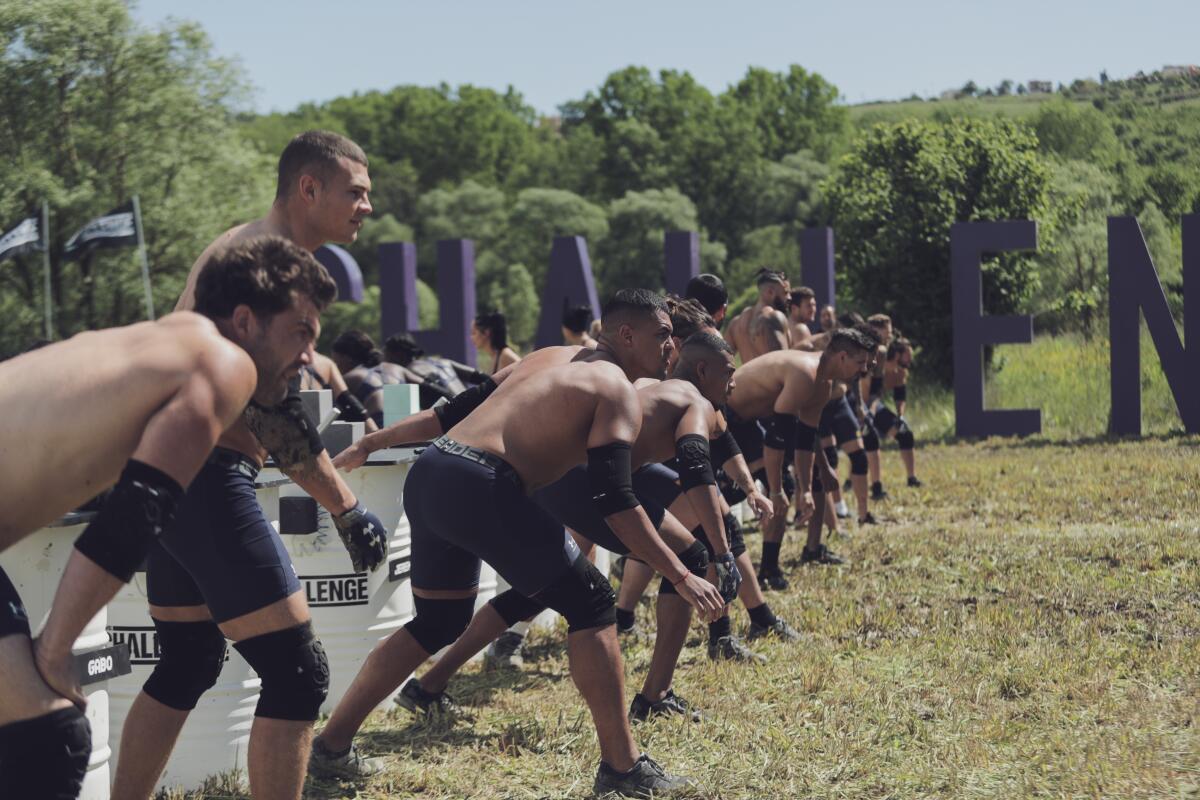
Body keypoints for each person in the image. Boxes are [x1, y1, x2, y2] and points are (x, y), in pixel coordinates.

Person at [316, 290, 725, 797]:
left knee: (438, 620)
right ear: (627, 335)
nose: (672, 349)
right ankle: (623, 769)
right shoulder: (615, 388)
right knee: (594, 602)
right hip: (481, 484)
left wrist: (373, 441)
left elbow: (449, 416)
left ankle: (330, 749)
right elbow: (616, 500)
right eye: (664, 336)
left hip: (431, 471)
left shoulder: (545, 356)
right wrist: (682, 573)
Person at [112, 131, 390, 800]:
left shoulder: (250, 248)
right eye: (356, 193)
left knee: (187, 660)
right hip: (202, 475)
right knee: (297, 673)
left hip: (168, 474)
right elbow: (271, 417)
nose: (367, 208)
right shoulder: (266, 263)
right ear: (308, 188)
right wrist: (345, 506)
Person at [389, 332, 745, 723]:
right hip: (589, 484)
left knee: (544, 586)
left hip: (557, 476)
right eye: (729, 370)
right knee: (691, 556)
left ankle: (429, 684)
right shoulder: (694, 399)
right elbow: (697, 467)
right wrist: (723, 554)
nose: (735, 379)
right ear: (702, 369)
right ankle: (655, 695)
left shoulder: (653, 386)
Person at [724, 329, 877, 589]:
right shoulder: (807, 374)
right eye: (860, 363)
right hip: (725, 415)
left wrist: (806, 490)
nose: (864, 370)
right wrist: (775, 491)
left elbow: (805, 441)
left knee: (782, 485)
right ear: (842, 357)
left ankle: (769, 569)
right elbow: (777, 441)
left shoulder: (823, 385)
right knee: (764, 489)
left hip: (748, 422)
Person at [331, 330, 403, 427]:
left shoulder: (351, 378)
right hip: (407, 429)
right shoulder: (394, 368)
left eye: (336, 363)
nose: (336, 368)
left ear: (348, 359)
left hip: (380, 432)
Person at [299, 351, 377, 432]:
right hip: (318, 431)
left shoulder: (286, 362)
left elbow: (348, 402)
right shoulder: (326, 363)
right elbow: (348, 402)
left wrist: (375, 436)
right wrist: (374, 432)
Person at [725, 269, 791, 361]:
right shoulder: (775, 318)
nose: (789, 297)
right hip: (773, 375)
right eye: (786, 292)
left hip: (748, 375)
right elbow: (785, 363)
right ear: (770, 292)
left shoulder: (735, 323)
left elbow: (721, 361)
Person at [471, 310, 520, 375]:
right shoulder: (496, 356)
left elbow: (527, 373)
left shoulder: (505, 356)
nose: (471, 337)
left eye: (474, 333)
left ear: (486, 333)